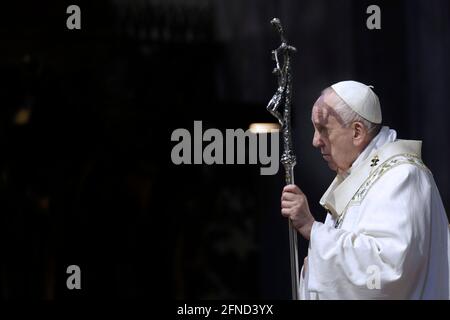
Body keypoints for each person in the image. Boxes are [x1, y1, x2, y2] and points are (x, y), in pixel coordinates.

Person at [281, 80, 450, 299]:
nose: (315, 141)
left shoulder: (401, 177)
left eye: (323, 129)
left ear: (357, 132)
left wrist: (312, 230)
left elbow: (388, 272)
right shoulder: (356, 177)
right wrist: (314, 267)